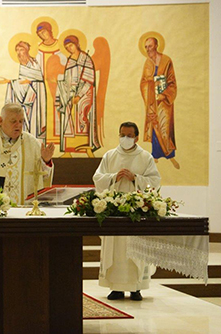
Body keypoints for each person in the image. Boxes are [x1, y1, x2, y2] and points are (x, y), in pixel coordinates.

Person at [93, 121, 161, 301]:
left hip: (136, 213)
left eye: (129, 136)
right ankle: (115, 287)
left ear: (136, 137)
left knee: (135, 250)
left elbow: (154, 181)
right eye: (122, 135)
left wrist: (135, 178)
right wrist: (114, 177)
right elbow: (98, 178)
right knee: (115, 252)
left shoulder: (145, 157)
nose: (125, 139)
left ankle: (135, 288)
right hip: (114, 212)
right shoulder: (110, 156)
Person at [56, 35, 100, 157]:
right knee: (68, 119)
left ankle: (86, 149)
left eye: (71, 45)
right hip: (71, 95)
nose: (69, 48)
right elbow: (67, 80)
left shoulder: (85, 59)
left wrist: (79, 96)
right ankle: (68, 150)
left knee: (82, 119)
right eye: (66, 47)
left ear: (77, 44)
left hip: (85, 94)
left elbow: (89, 80)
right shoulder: (70, 61)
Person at [140, 37, 179, 169]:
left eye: (150, 46)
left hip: (165, 101)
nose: (148, 50)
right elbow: (143, 82)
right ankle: (155, 155)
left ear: (156, 46)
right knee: (154, 125)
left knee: (165, 127)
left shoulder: (166, 60)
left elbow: (172, 81)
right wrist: (151, 85)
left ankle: (170, 154)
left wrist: (165, 94)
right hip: (152, 100)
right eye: (146, 47)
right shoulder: (147, 63)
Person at [0, 41, 47, 139]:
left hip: (33, 99)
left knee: (32, 126)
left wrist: (12, 82)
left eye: (21, 50)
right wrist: (12, 83)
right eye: (17, 50)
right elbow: (22, 81)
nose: (19, 53)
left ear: (27, 50)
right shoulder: (19, 66)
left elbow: (37, 82)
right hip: (20, 98)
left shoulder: (34, 65)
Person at [35, 21, 66, 143]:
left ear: (50, 31)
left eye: (44, 32)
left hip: (58, 86)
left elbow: (66, 67)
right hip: (43, 87)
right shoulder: (38, 51)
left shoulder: (61, 47)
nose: (42, 35)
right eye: (40, 34)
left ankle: (61, 136)